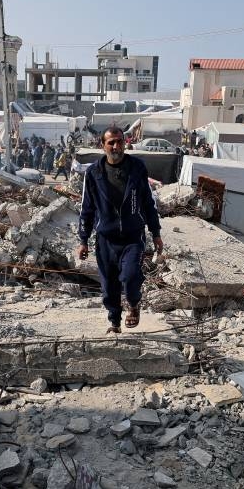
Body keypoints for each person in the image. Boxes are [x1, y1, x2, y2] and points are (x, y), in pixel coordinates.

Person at [77, 126, 163, 334]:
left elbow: (148, 203)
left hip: (133, 236)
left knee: (131, 276)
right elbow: (87, 208)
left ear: (125, 143)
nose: (116, 146)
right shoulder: (93, 173)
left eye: (119, 141)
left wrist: (156, 232)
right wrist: (83, 239)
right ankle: (114, 322)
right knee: (109, 286)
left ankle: (133, 304)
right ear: (103, 145)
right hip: (106, 239)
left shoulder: (137, 168)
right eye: (111, 142)